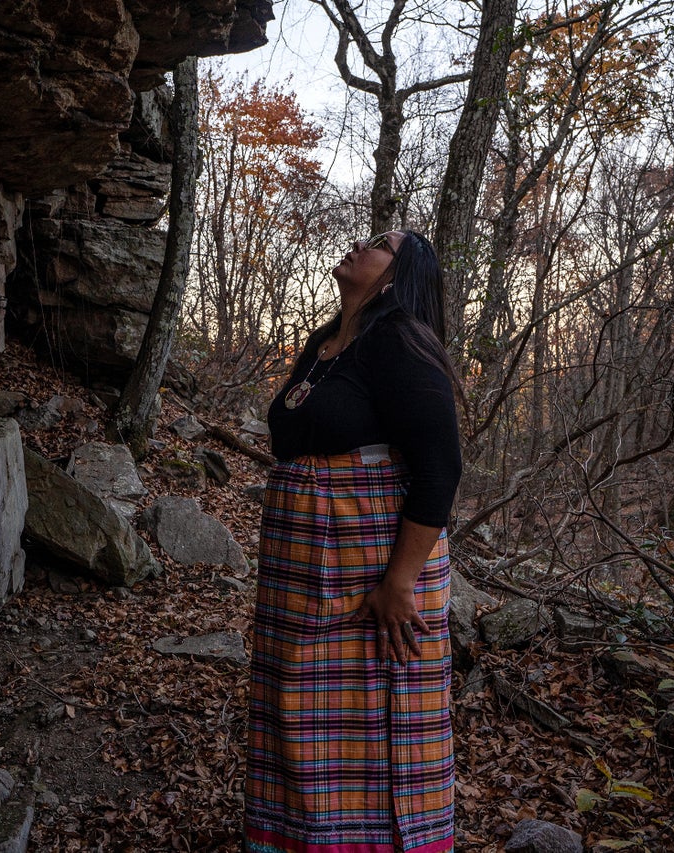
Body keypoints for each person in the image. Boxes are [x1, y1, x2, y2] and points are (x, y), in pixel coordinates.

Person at [245, 230, 463, 853]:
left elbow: (440, 467)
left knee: (373, 717)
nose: (357, 245)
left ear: (397, 278)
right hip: (303, 569)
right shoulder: (325, 343)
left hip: (373, 570)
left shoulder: (400, 341)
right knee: (297, 713)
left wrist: (399, 584)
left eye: (378, 244)